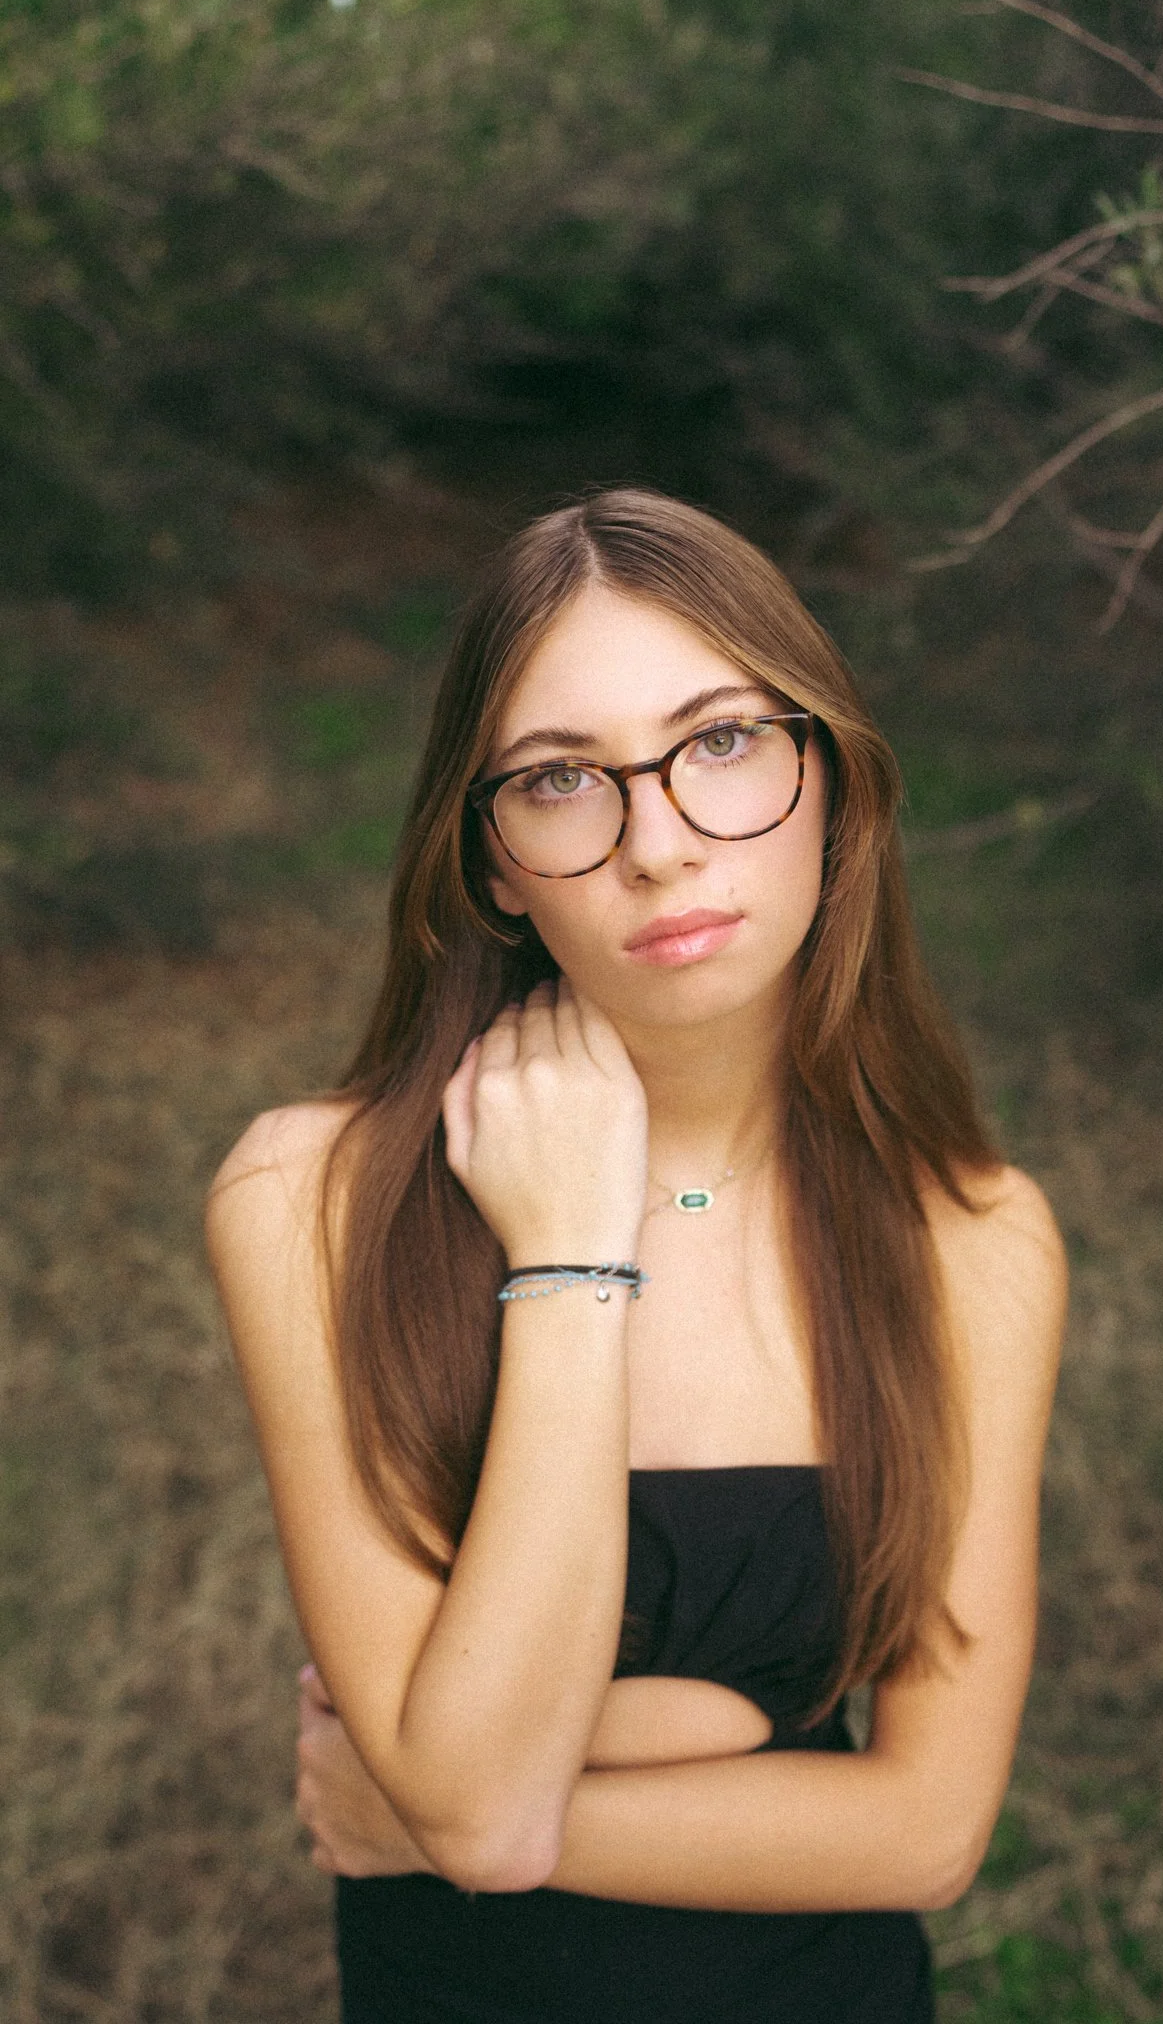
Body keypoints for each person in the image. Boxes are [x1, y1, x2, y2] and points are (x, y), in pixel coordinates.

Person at [206, 489, 1066, 2024]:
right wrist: (567, 1262)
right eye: (560, 781)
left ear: (831, 782)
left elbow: (928, 1834)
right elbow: (482, 1799)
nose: (660, 844)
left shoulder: (971, 1235)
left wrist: (434, 1818)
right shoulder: (311, 1199)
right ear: (488, 863)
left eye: (723, 742)